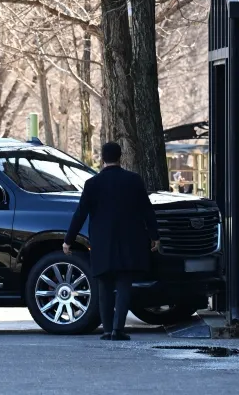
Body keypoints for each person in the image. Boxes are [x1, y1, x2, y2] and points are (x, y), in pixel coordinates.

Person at [63, 142, 159, 341]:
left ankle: (106, 330)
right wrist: (154, 236)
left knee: (104, 286)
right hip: (129, 241)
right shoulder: (133, 180)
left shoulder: (92, 184)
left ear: (102, 159)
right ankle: (118, 329)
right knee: (124, 285)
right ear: (120, 157)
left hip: (102, 242)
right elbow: (146, 210)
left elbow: (80, 214)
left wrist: (68, 240)